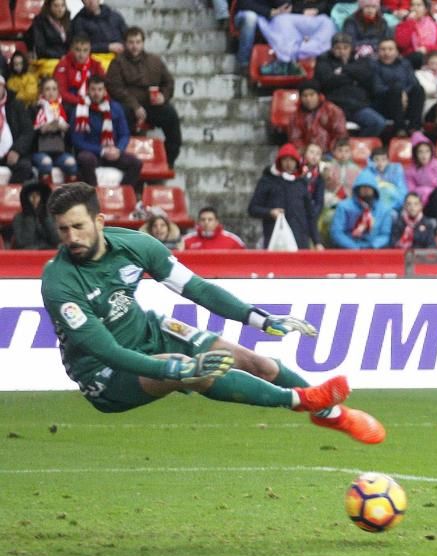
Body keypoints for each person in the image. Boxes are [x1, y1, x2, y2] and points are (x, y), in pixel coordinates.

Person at [40, 182, 384, 443]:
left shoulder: (137, 246)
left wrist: (258, 318)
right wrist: (178, 365)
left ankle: (330, 413)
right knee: (194, 374)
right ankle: (300, 399)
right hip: (105, 376)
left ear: (99, 221)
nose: (71, 237)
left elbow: (197, 289)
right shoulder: (60, 283)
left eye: (78, 226)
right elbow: (109, 352)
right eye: (63, 230)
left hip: (149, 332)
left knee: (255, 362)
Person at [106, 27, 182, 169]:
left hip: (151, 104)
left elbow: (168, 82)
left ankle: (169, 159)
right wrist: (135, 106)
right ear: (125, 43)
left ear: (143, 43)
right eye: (131, 42)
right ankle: (119, 160)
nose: (135, 46)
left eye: (138, 42)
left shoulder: (155, 61)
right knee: (118, 114)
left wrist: (163, 96)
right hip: (128, 105)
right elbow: (114, 88)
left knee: (170, 115)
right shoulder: (117, 62)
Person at [69, 75, 142, 188]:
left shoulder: (115, 108)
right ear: (88, 90)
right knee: (85, 159)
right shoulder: (79, 110)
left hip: (113, 152)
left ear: (105, 91)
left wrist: (118, 149)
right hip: (92, 153)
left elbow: (124, 134)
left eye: (99, 89)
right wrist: (102, 151)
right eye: (93, 89)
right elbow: (77, 141)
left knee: (136, 163)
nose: (96, 93)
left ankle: (123, 194)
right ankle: (93, 194)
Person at [248, 142, 323, 250]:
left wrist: (317, 242)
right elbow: (253, 208)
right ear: (279, 161)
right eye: (285, 159)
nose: (288, 163)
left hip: (300, 239)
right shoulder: (268, 181)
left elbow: (310, 215)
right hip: (276, 238)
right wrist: (270, 212)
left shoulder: (301, 183)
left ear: (297, 162)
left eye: (292, 160)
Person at [314, 32, 386, 138]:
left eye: (345, 48)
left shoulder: (359, 60)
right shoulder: (323, 62)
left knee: (378, 122)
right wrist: (353, 78)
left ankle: (355, 147)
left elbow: (367, 76)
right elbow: (327, 82)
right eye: (338, 48)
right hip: (335, 107)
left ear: (351, 48)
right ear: (332, 48)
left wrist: (343, 69)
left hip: (358, 106)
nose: (342, 51)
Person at [257, 0, 335, 77]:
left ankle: (300, 57)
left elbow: (328, 8)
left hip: (319, 20)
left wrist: (317, 10)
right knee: (281, 20)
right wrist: (301, 11)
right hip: (291, 16)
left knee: (327, 23)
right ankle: (287, 62)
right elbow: (284, 6)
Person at [371, 38, 425, 136]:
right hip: (385, 104)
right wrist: (399, 92)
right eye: (383, 49)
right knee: (394, 90)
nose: (386, 53)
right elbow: (377, 88)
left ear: (396, 52)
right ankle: (400, 129)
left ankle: (415, 127)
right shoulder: (374, 66)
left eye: (390, 49)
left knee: (418, 89)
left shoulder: (405, 64)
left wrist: (403, 93)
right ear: (378, 52)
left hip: (405, 101)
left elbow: (413, 83)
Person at [32, 76, 78, 184]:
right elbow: (29, 135)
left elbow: (72, 136)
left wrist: (65, 129)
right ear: (42, 92)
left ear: (58, 91)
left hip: (60, 151)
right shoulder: (35, 109)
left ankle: (69, 197)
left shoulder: (65, 109)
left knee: (71, 163)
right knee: (46, 162)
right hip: (39, 151)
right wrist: (41, 130)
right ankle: (46, 197)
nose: (51, 92)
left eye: (54, 89)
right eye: (47, 89)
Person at [329, 170, 392, 249]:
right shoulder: (344, 207)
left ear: (374, 190)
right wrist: (354, 247)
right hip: (348, 249)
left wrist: (373, 246)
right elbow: (337, 232)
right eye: (363, 187)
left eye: (369, 187)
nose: (366, 190)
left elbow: (385, 234)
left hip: (374, 250)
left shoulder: (384, 209)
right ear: (357, 189)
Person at [288, 79, 347, 156]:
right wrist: (308, 151)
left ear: (318, 95)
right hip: (307, 154)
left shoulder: (333, 110)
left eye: (312, 95)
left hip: (330, 153)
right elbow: (295, 138)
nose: (308, 99)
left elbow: (340, 134)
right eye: (304, 96)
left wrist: (331, 149)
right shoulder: (295, 116)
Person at [233, 0, 290, 76]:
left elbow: (284, 5)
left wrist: (284, 7)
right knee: (251, 17)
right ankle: (243, 63)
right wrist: (269, 12)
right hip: (245, 13)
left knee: (283, 19)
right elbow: (244, 4)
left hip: (266, 16)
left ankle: (283, 62)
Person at [0, 75, 37, 184]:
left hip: (12, 152)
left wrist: (17, 150)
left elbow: (28, 131)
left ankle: (9, 197)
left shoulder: (16, 105)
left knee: (25, 167)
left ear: (4, 87)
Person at [54, 35, 106, 111]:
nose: (81, 55)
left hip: (93, 98)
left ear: (90, 50)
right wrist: (81, 101)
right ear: (72, 49)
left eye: (85, 50)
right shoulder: (63, 65)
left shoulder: (96, 65)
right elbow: (61, 91)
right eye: (78, 50)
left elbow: (105, 87)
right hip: (71, 103)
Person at [394, 0, 437, 69]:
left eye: (418, 5)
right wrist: (410, 22)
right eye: (413, 5)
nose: (415, 8)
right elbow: (402, 45)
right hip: (412, 58)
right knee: (418, 56)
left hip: (430, 56)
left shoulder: (434, 26)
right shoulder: (403, 25)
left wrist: (426, 48)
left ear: (425, 9)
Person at [12, 181, 58, 249]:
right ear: (25, 198)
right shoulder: (18, 218)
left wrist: (45, 216)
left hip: (50, 254)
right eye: (31, 195)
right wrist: (29, 215)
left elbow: (57, 240)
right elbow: (24, 243)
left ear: (42, 197)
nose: (34, 198)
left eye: (37, 195)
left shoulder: (52, 216)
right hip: (28, 255)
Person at [360, 145, 406, 214]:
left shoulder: (396, 169)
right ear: (371, 161)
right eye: (376, 159)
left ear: (388, 160)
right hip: (373, 206)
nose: (380, 163)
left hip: (393, 207)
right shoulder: (367, 171)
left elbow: (402, 193)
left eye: (383, 159)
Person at [30, 0, 72, 68]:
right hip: (48, 60)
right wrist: (60, 55)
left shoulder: (68, 20)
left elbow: (71, 44)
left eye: (62, 5)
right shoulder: (40, 22)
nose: (60, 9)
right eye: (56, 6)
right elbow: (41, 49)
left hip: (65, 59)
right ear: (49, 6)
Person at [181, 207, 247, 250]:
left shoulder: (233, 241)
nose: (206, 222)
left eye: (210, 219)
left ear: (216, 222)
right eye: (203, 219)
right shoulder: (186, 240)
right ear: (198, 222)